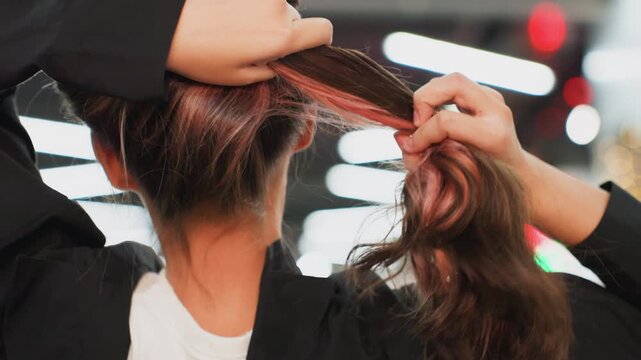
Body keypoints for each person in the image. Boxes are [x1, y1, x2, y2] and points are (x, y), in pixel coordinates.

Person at [1, 3, 640, 360]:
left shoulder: (30, 318)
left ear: (109, 159)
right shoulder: (450, 345)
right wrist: (518, 175)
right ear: (304, 123)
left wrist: (129, 33)